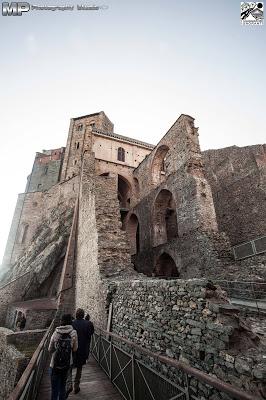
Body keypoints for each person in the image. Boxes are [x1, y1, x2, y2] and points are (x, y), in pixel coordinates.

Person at [49, 314, 78, 400]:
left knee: (54, 390)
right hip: (67, 364)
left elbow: (50, 349)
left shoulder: (56, 332)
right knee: (62, 387)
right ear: (70, 321)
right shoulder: (73, 333)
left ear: (61, 321)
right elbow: (75, 349)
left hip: (54, 364)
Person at [72, 309, 94, 394]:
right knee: (79, 368)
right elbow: (91, 333)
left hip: (73, 349)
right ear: (83, 315)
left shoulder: (72, 323)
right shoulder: (88, 323)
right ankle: (76, 385)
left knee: (70, 366)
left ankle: (69, 383)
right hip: (83, 349)